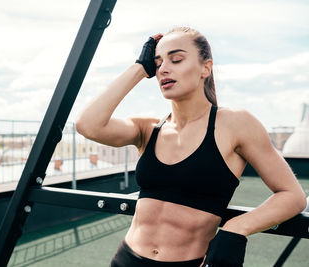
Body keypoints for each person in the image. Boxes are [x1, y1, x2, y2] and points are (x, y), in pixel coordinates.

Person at [75, 27, 307, 267]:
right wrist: (139, 68)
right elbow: (87, 125)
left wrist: (238, 226)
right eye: (157, 63)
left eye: (176, 59)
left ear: (205, 68)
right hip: (127, 259)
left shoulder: (236, 124)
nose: (163, 68)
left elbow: (293, 196)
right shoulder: (148, 129)